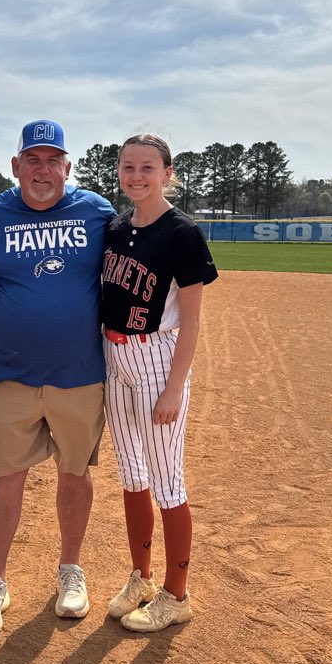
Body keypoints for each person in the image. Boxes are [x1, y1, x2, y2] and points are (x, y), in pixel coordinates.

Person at [0, 120, 116, 634]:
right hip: (12, 376)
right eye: (33, 159)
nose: (43, 169)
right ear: (15, 166)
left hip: (80, 374)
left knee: (75, 472)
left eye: (53, 160)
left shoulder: (96, 211)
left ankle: (71, 570)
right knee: (6, 476)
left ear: (68, 168)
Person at [101, 134, 218, 632]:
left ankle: (177, 594)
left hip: (157, 358)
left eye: (148, 167)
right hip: (113, 354)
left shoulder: (182, 233)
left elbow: (190, 320)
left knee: (168, 480)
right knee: (132, 474)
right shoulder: (115, 227)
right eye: (128, 166)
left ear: (168, 173)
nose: (136, 175)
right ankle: (142, 577)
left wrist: (175, 386)